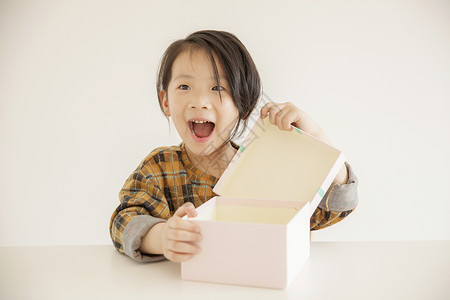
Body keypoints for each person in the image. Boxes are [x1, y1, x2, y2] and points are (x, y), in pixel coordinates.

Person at [109, 30, 358, 263]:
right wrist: (162, 237)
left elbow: (336, 208)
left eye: (218, 87)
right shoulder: (159, 168)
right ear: (165, 101)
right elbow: (125, 220)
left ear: (243, 105)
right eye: (184, 87)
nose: (199, 102)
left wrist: (316, 134)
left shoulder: (267, 166)